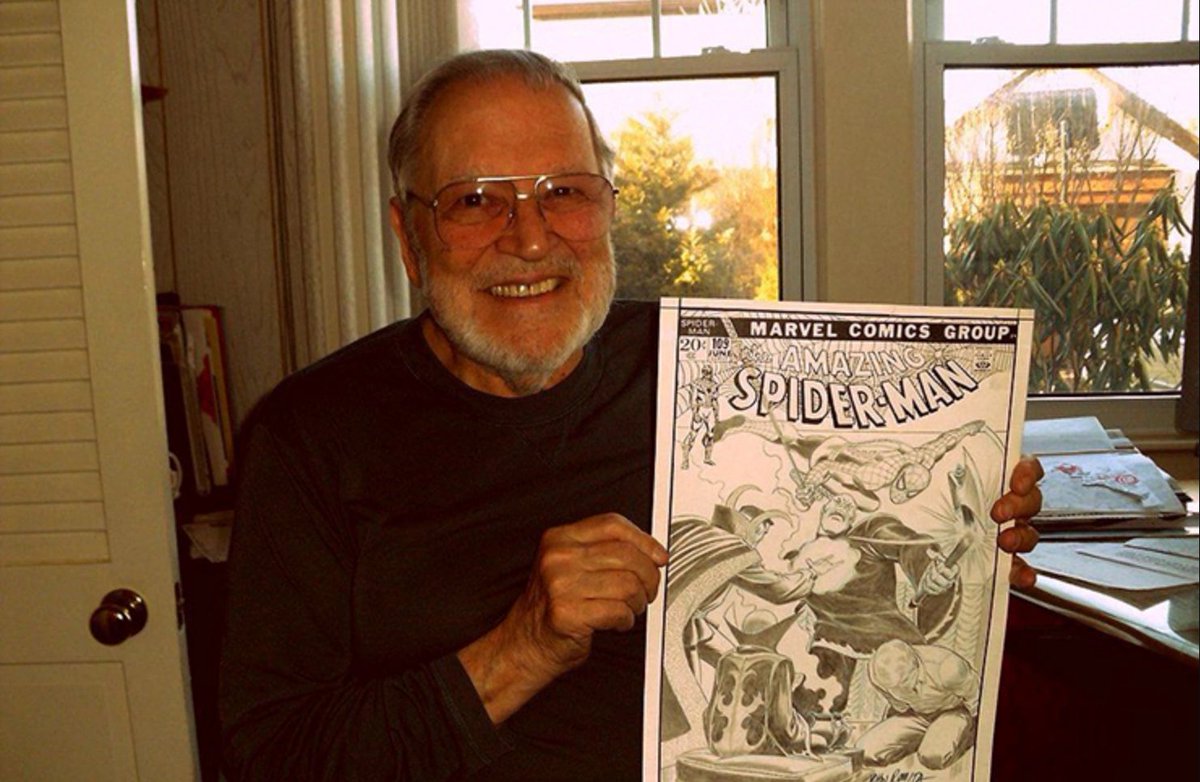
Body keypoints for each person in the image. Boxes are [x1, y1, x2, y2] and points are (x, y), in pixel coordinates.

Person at [218, 48, 1044, 782]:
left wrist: (967, 542)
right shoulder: (310, 437)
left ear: (609, 207)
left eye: (564, 193)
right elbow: (271, 756)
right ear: (409, 236)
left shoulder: (716, 377)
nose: (530, 239)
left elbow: (877, 554)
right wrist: (523, 647)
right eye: (474, 201)